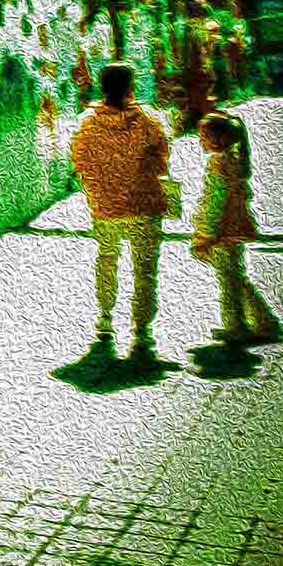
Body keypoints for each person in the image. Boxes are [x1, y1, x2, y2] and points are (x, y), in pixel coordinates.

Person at [69, 63, 172, 367]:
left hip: (106, 207)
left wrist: (98, 186)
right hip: (143, 204)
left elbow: (78, 162)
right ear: (131, 87)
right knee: (145, 269)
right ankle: (142, 330)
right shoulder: (148, 123)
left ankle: (105, 318)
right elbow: (162, 159)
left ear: (102, 87)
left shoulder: (89, 125)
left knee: (107, 260)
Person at [191, 112, 282, 346]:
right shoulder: (235, 160)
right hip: (235, 226)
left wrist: (205, 233)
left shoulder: (218, 163)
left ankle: (238, 325)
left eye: (204, 137)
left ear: (217, 139)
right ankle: (261, 320)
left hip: (222, 229)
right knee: (233, 276)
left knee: (228, 280)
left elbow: (214, 201)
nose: (201, 141)